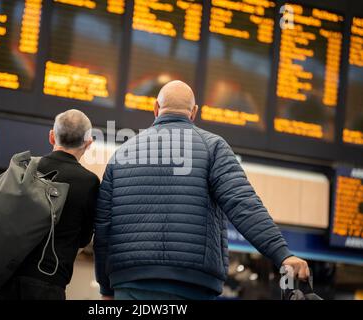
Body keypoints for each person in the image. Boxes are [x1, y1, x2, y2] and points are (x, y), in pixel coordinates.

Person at [94, 80, 309, 300]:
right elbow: (243, 203)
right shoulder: (213, 147)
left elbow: (103, 227)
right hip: (191, 286)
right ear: (194, 112)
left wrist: (106, 288)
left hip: (130, 284)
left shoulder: (122, 154)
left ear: (156, 109)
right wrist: (282, 255)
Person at [0, 109, 99, 300]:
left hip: (6, 278)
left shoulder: (24, 168)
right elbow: (83, 240)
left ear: (51, 136)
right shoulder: (88, 182)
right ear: (88, 143)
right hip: (49, 280)